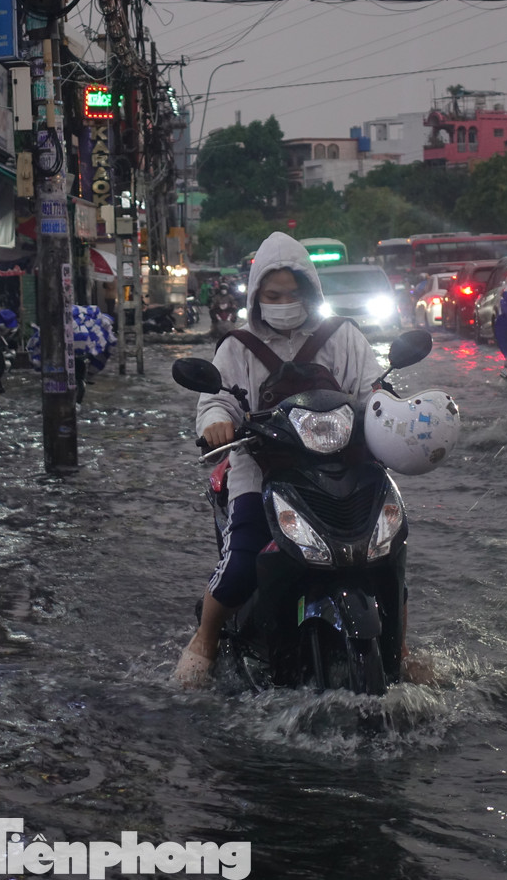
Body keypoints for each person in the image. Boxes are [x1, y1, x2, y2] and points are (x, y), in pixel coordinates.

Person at [173, 231, 389, 689]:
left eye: (293, 293)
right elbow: (217, 400)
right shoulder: (237, 347)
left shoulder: (344, 336)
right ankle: (205, 641)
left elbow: (372, 390)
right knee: (242, 560)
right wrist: (216, 421)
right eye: (273, 295)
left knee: (389, 550)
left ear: (310, 290)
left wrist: (392, 410)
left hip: (343, 469)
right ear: (256, 296)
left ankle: (404, 650)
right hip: (262, 470)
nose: (284, 303)